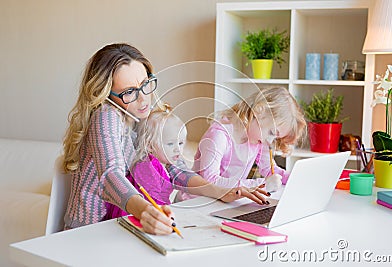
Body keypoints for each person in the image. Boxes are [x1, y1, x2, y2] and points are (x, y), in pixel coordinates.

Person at [62, 43, 267, 235]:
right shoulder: (106, 115)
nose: (143, 100)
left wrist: (220, 191)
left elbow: (174, 168)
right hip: (90, 230)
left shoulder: (146, 115)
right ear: (105, 95)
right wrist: (144, 211)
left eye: (145, 85)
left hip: (122, 223)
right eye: (129, 92)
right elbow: (110, 174)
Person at [105, 103, 271, 219]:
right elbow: (155, 202)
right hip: (133, 216)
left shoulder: (167, 163)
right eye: (170, 144)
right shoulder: (147, 167)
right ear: (149, 145)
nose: (177, 149)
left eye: (181, 143)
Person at [179, 87, 306, 201]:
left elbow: (270, 170)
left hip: (225, 201)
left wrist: (297, 179)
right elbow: (209, 181)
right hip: (194, 202)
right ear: (259, 111)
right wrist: (260, 184)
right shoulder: (219, 136)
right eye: (272, 132)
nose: (270, 141)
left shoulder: (260, 139)